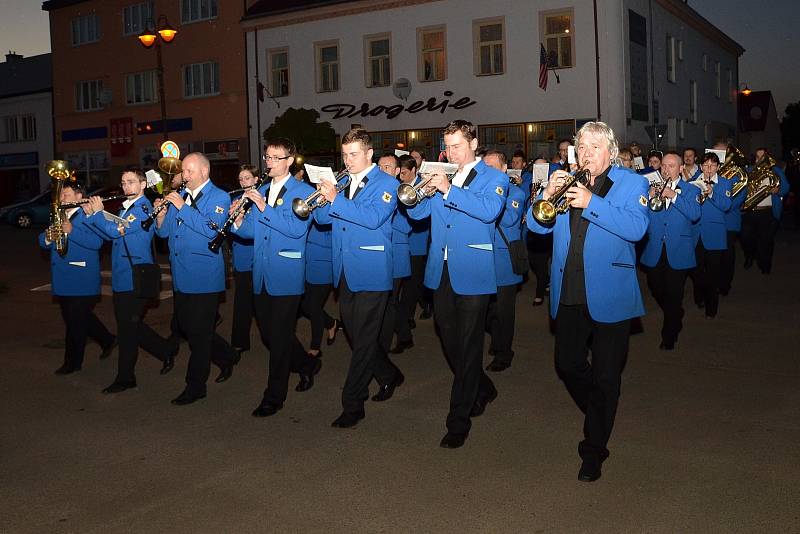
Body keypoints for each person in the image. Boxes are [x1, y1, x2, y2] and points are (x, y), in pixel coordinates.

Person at [527, 121, 649, 482]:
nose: (587, 154)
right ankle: (600, 409)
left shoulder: (631, 183)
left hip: (611, 289)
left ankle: (593, 450)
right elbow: (536, 228)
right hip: (569, 289)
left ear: (610, 151)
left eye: (595, 148)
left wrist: (591, 201)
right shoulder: (565, 180)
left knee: (607, 375)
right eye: (582, 148)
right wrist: (546, 196)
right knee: (567, 363)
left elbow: (637, 228)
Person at [407, 120, 506, 449]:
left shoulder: (494, 177)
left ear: (474, 143)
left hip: (474, 269)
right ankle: (484, 387)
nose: (452, 152)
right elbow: (419, 215)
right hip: (441, 268)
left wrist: (449, 189)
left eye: (458, 145)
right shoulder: (441, 175)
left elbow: (489, 211)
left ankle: (458, 421)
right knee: (449, 340)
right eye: (448, 146)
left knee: (468, 345)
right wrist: (419, 189)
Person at [314, 128, 401, 428]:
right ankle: (389, 375)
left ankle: (353, 403)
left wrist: (336, 199)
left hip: (372, 269)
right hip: (344, 270)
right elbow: (322, 220)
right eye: (344, 155)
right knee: (355, 334)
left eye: (353, 155)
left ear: (368, 154)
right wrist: (322, 200)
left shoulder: (387, 183)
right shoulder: (342, 182)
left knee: (362, 341)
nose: (347, 160)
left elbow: (373, 218)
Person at [232, 138, 320, 417]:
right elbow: (253, 233)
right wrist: (237, 222)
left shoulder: (304, 191)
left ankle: (274, 396)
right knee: (270, 335)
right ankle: (306, 365)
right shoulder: (263, 189)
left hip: (286, 273)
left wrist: (262, 208)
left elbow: (295, 229)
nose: (269, 162)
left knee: (279, 339)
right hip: (261, 273)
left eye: (275, 158)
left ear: (289, 161)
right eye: (267, 157)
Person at [155, 152, 239, 405]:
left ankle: (195, 386)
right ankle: (226, 356)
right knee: (189, 328)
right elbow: (165, 233)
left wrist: (182, 207)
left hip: (204, 277)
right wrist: (161, 216)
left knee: (199, 337)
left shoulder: (220, 197)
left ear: (204, 171)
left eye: (189, 171)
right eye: (184, 171)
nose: (185, 175)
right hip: (181, 275)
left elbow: (211, 230)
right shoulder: (181, 195)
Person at [84, 167, 176, 392]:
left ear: (143, 184)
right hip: (123, 276)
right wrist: (90, 216)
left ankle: (126, 378)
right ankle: (165, 351)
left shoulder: (143, 208)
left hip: (137, 276)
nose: (126, 186)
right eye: (123, 182)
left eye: (131, 182)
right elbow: (109, 234)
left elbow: (116, 232)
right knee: (131, 325)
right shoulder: (128, 208)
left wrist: (98, 213)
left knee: (126, 331)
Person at [39, 181, 116, 375]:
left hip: (81, 278)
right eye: (61, 195)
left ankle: (72, 363)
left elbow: (97, 243)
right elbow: (42, 241)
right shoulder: (60, 215)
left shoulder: (87, 215)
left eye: (65, 194)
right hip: (62, 278)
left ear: (79, 197)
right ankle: (107, 339)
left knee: (75, 324)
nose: (61, 198)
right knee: (79, 318)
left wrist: (71, 232)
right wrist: (48, 237)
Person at [640, 153, 701, 350]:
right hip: (655, 249)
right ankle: (674, 312)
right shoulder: (651, 189)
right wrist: (646, 199)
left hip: (679, 250)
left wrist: (673, 195)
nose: (666, 169)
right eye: (664, 166)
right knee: (656, 287)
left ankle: (669, 336)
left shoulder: (691, 190)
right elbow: (643, 218)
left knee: (674, 294)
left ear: (681, 168)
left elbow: (694, 214)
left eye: (671, 166)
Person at [483, 150, 526, 372]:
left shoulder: (516, 193)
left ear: (503, 170)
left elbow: (509, 219)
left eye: (491, 167)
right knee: (486, 312)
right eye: (484, 167)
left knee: (503, 312)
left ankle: (504, 353)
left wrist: (490, 200)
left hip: (504, 261)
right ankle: (497, 340)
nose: (486, 172)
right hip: (483, 259)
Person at [377, 153, 414, 357]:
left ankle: (388, 342)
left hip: (396, 253)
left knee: (390, 301)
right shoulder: (375, 190)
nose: (383, 170)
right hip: (378, 253)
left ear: (398, 171)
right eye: (380, 166)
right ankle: (404, 335)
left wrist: (385, 215)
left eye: (388, 167)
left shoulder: (402, 192)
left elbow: (407, 225)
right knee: (387, 301)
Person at [690, 152, 732, 319]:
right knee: (697, 272)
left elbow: (727, 205)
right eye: (706, 165)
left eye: (713, 166)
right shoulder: (692, 182)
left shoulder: (724, 183)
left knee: (713, 274)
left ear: (718, 167)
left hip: (715, 235)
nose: (709, 169)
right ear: (701, 166)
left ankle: (711, 308)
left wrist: (713, 193)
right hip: (695, 234)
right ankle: (699, 296)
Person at [395, 154, 431, 340]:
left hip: (417, 242)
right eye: (399, 173)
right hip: (402, 243)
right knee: (410, 285)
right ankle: (417, 308)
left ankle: (408, 317)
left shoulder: (424, 185)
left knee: (412, 284)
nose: (401, 177)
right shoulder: (399, 185)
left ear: (414, 171)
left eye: (405, 173)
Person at [740, 148, 790, 274]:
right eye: (758, 157)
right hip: (749, 212)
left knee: (766, 241)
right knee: (746, 239)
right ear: (755, 159)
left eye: (763, 157)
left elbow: (786, 187)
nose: (761, 159)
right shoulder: (749, 171)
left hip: (768, 212)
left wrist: (778, 190)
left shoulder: (776, 171)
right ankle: (749, 256)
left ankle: (765, 264)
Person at [229, 165, 260, 357]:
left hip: (255, 257)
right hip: (240, 258)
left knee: (258, 304)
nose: (244, 182)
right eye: (241, 179)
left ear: (256, 179)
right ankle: (240, 342)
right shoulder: (236, 200)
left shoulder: (260, 200)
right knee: (242, 303)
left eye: (247, 178)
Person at [716, 142, 747, 296]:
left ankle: (725, 284)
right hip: (712, 221)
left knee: (727, 255)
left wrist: (723, 206)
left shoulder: (737, 173)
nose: (723, 156)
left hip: (729, 220)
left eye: (725, 152)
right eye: (719, 152)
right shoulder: (709, 169)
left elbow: (741, 194)